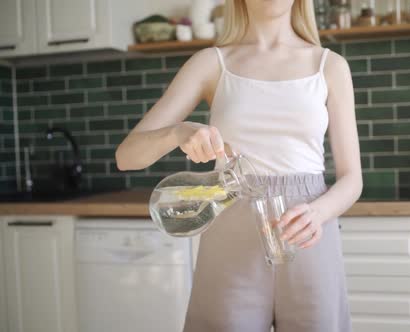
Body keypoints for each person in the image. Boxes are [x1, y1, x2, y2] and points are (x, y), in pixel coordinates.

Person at [115, 0, 362, 330]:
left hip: (308, 236)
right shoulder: (211, 63)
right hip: (230, 238)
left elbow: (352, 178)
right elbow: (126, 155)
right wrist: (179, 131)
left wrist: (319, 213)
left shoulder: (329, 66)